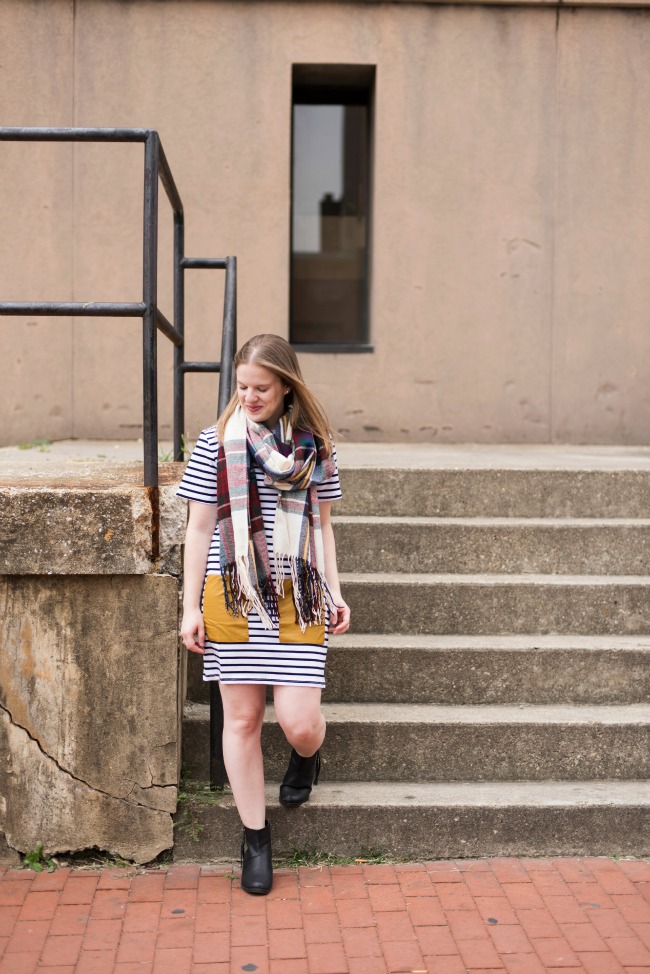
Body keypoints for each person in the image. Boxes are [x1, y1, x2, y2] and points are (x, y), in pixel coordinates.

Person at [177, 333, 351, 895]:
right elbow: (200, 527)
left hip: (297, 591)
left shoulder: (314, 447)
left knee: (300, 723)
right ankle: (256, 839)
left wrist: (336, 592)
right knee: (244, 720)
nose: (248, 397)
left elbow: (323, 526)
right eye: (242, 387)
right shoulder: (214, 443)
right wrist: (188, 607)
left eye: (261, 388)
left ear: (286, 388)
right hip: (232, 591)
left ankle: (308, 757)